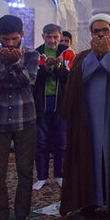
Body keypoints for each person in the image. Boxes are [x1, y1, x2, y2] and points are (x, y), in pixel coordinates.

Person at [59, 13, 110, 220]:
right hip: (88, 122)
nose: (101, 34)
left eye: (105, 30)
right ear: (91, 35)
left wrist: (106, 56)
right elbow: (77, 81)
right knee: (88, 158)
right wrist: (98, 57)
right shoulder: (83, 57)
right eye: (97, 31)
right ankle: (88, 203)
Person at [0, 15, 40, 220]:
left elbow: (28, 80)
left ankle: (22, 216)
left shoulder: (32, 55)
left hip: (25, 119)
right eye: (5, 40)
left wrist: (13, 63)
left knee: (25, 171)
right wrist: (6, 68)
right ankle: (1, 219)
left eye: (14, 39)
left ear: (22, 35)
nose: (9, 44)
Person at [33, 24, 73, 190]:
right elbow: (33, 79)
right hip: (41, 103)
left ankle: (59, 174)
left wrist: (57, 68)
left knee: (61, 141)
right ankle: (42, 176)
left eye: (55, 37)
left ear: (60, 36)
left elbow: (70, 78)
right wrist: (47, 69)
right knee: (41, 142)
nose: (52, 40)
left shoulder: (68, 53)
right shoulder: (35, 53)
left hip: (61, 103)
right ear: (43, 36)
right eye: (49, 37)